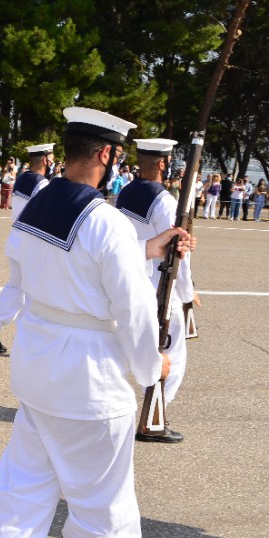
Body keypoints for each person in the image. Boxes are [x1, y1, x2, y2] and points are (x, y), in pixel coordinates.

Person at [0, 107, 189, 537]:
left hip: (37, 365)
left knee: (20, 496)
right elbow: (133, 308)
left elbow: (62, 264)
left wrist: (147, 248)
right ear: (106, 154)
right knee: (103, 513)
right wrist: (151, 367)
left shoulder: (36, 206)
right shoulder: (107, 221)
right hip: (88, 379)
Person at [117, 138, 198, 443]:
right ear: (163, 163)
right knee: (172, 353)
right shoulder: (164, 201)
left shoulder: (126, 192)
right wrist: (187, 294)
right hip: (159, 287)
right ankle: (155, 417)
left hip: (130, 277)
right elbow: (178, 254)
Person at [0, 143, 54, 353]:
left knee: (15, 287)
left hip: (16, 239)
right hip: (30, 243)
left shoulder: (21, 178)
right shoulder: (42, 184)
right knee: (32, 294)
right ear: (45, 161)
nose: (53, 163)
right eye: (51, 159)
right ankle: (24, 342)